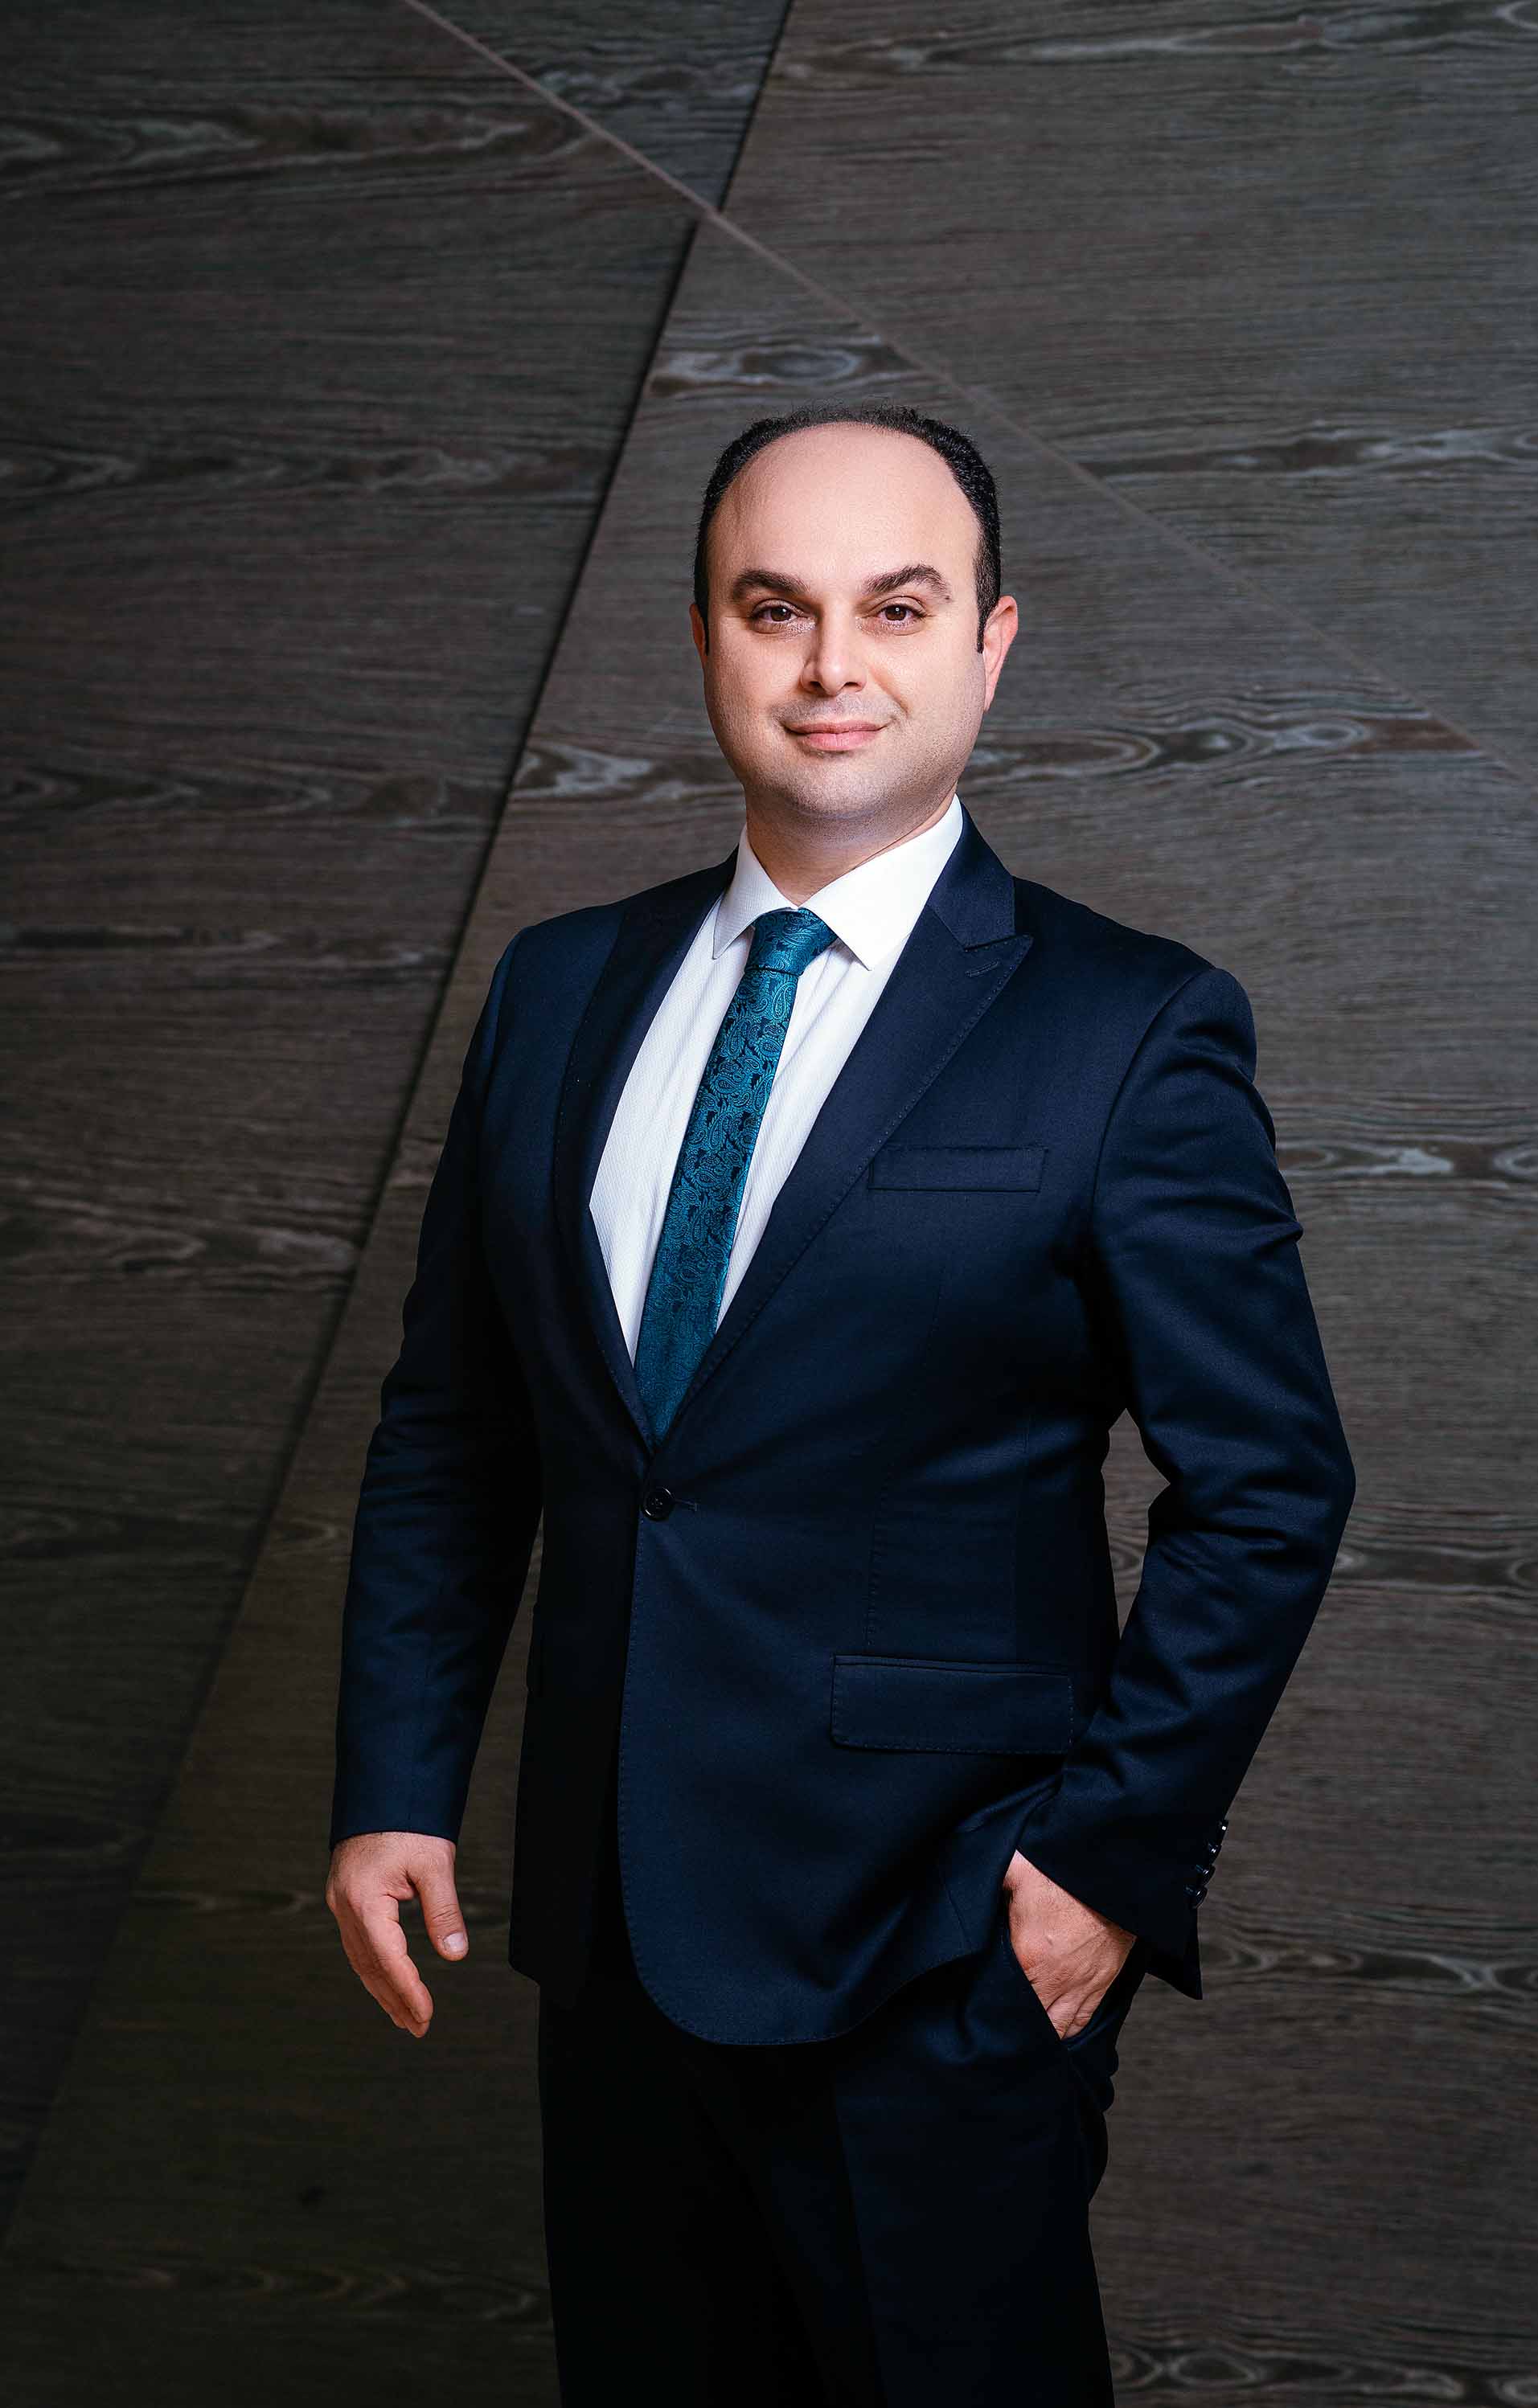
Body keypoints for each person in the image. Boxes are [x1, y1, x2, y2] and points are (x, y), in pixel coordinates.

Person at [326, 402, 1355, 2405]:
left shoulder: (1124, 1022)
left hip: (935, 1945)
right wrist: (394, 1778)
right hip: (614, 1932)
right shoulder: (556, 987)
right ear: (704, 636)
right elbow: (455, 1427)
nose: (829, 665)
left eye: (894, 607)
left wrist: (1101, 1874)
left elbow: (1269, 1484)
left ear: (988, 643)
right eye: (772, 606)